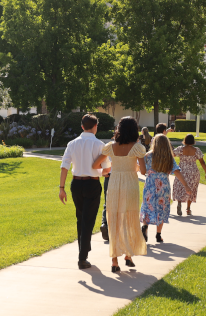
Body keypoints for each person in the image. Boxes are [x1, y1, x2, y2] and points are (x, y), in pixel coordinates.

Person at [93, 116, 147, 273]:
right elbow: (143, 171)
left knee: (114, 219)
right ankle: (128, 255)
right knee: (129, 218)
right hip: (130, 185)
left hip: (114, 184)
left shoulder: (111, 146)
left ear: (119, 129)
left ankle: (114, 261)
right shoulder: (137, 148)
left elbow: (96, 164)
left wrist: (108, 171)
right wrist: (135, 166)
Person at [59, 114, 110, 268]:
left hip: (76, 184)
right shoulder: (100, 145)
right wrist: (103, 172)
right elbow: (106, 169)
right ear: (95, 126)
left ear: (82, 126)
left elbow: (64, 166)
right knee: (88, 220)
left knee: (81, 218)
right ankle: (82, 257)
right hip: (92, 184)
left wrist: (61, 188)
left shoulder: (72, 143)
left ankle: (84, 250)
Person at [140, 134, 190, 243]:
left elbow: (142, 171)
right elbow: (177, 171)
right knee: (162, 208)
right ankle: (158, 235)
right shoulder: (169, 158)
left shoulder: (148, 155)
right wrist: (186, 186)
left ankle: (145, 227)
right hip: (163, 186)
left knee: (148, 207)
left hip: (150, 185)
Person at [173, 134, 206, 216]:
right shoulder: (196, 150)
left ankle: (179, 203)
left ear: (185, 140)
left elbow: (172, 155)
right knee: (191, 189)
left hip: (182, 171)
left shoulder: (180, 149)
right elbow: (202, 162)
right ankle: (188, 209)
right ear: (193, 141)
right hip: (193, 172)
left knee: (180, 187)